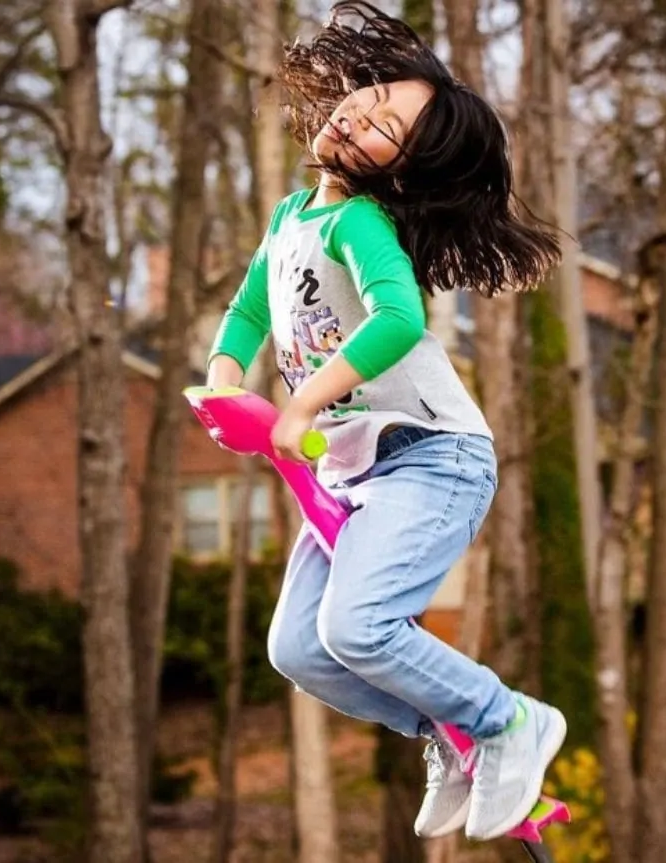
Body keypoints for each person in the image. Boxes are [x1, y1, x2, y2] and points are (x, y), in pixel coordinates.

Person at [207, 0, 566, 841]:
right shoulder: (292, 217)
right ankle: (448, 730)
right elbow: (251, 308)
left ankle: (508, 719)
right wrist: (225, 374)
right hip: (354, 472)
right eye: (366, 98)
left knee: (357, 625)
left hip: (434, 457)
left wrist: (301, 401)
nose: (359, 114)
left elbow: (401, 319)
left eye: (386, 127)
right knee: (299, 648)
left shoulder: (365, 223)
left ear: (401, 172)